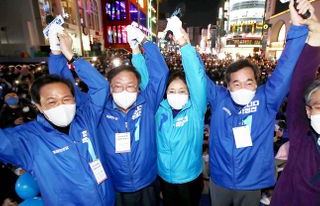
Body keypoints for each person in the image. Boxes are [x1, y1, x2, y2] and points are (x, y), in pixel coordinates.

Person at [206, 0, 311, 206]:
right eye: (237, 83)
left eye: (249, 82)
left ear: (257, 83)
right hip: (220, 179)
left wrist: (298, 27)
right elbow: (199, 77)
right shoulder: (219, 100)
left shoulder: (267, 99)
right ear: (227, 86)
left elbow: (285, 69)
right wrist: (184, 45)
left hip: (252, 182)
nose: (243, 87)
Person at [50, 24, 169, 206]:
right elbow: (66, 88)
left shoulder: (147, 102)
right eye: (118, 86)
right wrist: (58, 54)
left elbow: (160, 74)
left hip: (148, 182)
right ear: (109, 88)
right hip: (115, 185)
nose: (125, 91)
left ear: (138, 88)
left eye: (130, 86)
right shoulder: (97, 109)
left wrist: (144, 40)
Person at [0, 32, 114, 205]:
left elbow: (101, 87)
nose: (61, 105)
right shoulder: (28, 139)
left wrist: (65, 54)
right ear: (38, 106)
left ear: (74, 99)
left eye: (66, 99)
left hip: (106, 200)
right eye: (51, 101)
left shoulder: (86, 119)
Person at [134, 17, 207, 205]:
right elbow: (145, 80)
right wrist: (136, 52)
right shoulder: (159, 108)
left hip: (190, 178)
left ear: (190, 93)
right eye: (172, 91)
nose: (177, 94)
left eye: (182, 91)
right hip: (164, 177)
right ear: (165, 93)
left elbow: (197, 77)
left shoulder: (195, 110)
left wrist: (183, 43)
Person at [271, 1, 320, 206]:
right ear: (308, 112)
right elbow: (299, 84)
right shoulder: (302, 139)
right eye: (318, 106)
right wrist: (315, 35)